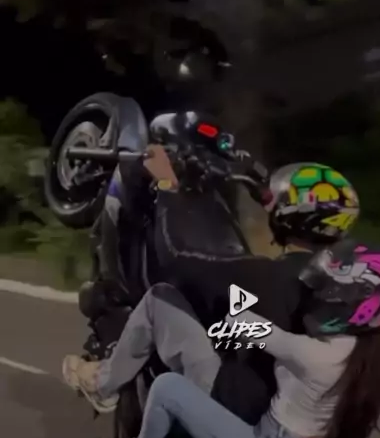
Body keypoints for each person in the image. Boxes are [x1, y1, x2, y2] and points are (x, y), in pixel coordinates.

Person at [77, 240, 380, 438]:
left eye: (325, 293)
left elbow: (243, 324)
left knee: (167, 388)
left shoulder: (317, 356)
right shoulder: (362, 352)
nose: (314, 296)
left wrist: (238, 284)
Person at [63, 161, 361, 418]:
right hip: (297, 414)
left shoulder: (265, 274)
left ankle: (103, 385)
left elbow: (177, 261)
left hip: (234, 404)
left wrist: (167, 185)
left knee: (159, 300)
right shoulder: (346, 290)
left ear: (289, 215)